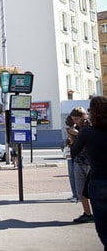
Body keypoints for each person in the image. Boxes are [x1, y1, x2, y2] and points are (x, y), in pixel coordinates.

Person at [82, 96, 107, 248]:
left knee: (103, 227)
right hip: (98, 182)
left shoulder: (88, 132)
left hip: (99, 182)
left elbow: (74, 151)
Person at [69, 106, 94, 223]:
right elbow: (73, 146)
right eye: (73, 119)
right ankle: (87, 213)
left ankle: (97, 213)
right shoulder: (75, 127)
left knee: (93, 189)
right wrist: (70, 135)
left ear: (83, 117)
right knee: (80, 190)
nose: (75, 122)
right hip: (78, 161)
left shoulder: (90, 126)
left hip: (91, 162)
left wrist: (78, 134)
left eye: (77, 119)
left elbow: (92, 140)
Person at [63, 115, 77, 202]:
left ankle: (76, 195)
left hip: (73, 155)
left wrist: (69, 134)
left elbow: (73, 142)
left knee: (73, 176)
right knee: (71, 176)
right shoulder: (71, 128)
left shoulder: (74, 129)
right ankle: (74, 194)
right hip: (69, 155)